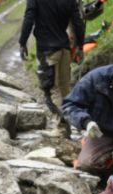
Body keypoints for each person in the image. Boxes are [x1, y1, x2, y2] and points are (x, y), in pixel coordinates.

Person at [18, 0, 85, 136]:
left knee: (51, 90)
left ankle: (62, 128)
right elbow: (77, 21)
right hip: (64, 49)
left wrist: (22, 42)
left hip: (47, 51)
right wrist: (80, 46)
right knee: (64, 89)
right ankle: (68, 127)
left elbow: (29, 18)